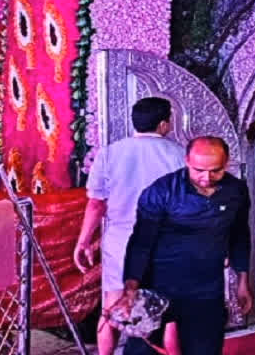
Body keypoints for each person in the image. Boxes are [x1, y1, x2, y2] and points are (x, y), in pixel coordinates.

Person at [119, 136, 253, 355]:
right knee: (144, 350)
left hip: (206, 287)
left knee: (205, 348)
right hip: (159, 285)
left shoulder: (236, 191)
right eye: (198, 170)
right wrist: (131, 287)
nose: (206, 178)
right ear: (187, 161)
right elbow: (141, 242)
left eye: (215, 170)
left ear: (227, 162)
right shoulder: (161, 191)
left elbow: (239, 235)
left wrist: (242, 280)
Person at [75, 97, 186, 355]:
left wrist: (83, 241)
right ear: (163, 124)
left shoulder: (110, 153)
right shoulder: (180, 154)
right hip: (165, 242)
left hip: (121, 241)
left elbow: (96, 204)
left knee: (111, 306)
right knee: (170, 312)